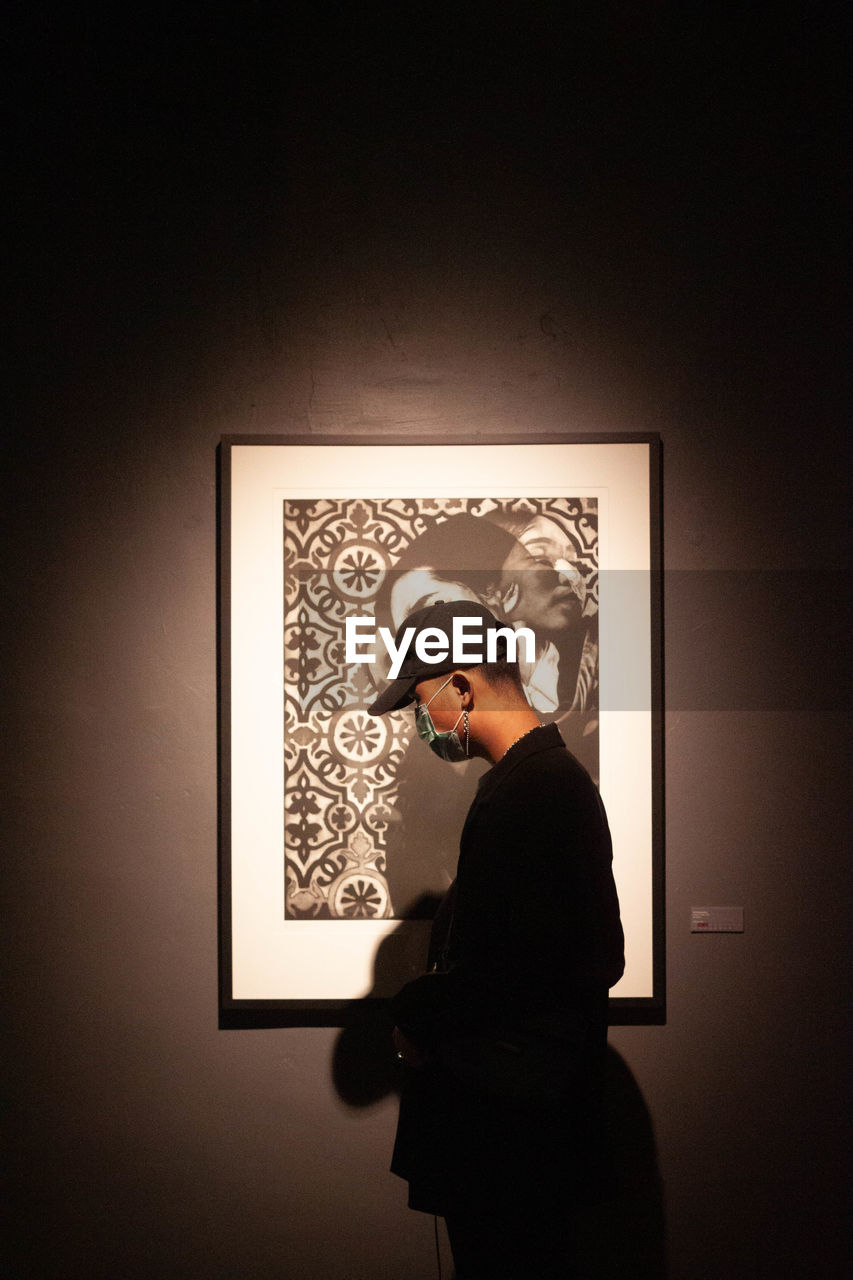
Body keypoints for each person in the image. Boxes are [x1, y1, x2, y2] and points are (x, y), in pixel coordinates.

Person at [367, 600, 624, 1279]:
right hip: (512, 1128)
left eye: (420, 702)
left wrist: (419, 1008)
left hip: (509, 1136)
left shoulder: (535, 790)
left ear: (460, 686)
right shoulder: (534, 783)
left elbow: (549, 962)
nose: (420, 725)